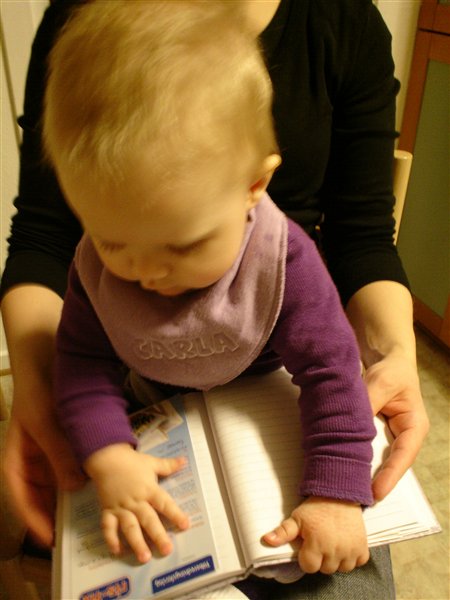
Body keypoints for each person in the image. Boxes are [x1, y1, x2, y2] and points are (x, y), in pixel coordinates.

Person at [0, 0, 428, 597]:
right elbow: (82, 364)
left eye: (183, 244)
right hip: (151, 394)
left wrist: (335, 493)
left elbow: (332, 371)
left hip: (275, 390)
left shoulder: (284, 259)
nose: (146, 272)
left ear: (255, 185)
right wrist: (108, 452)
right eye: (114, 240)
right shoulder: (96, 266)